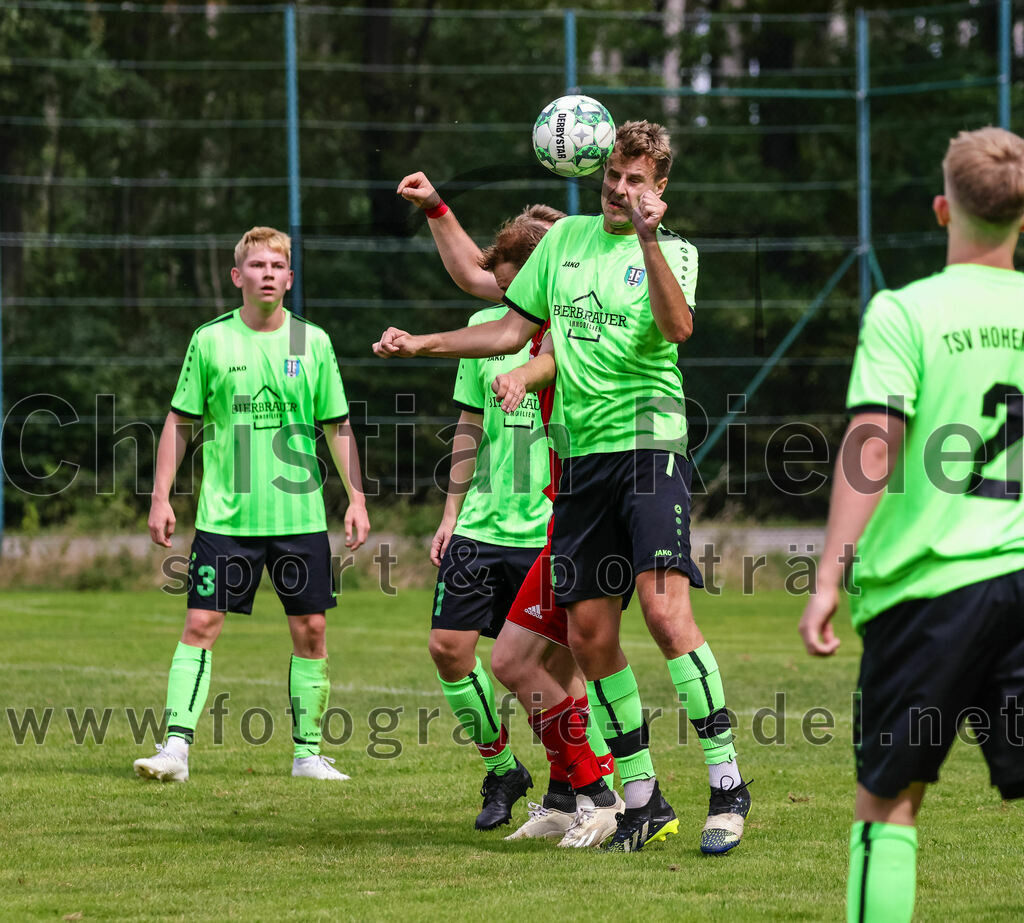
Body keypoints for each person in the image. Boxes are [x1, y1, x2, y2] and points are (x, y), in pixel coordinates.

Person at [376, 121, 750, 853]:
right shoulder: (565, 241)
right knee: (589, 634)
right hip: (577, 465)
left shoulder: (673, 251)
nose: (618, 188)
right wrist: (424, 343)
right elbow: (509, 326)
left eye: (635, 179)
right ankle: (640, 797)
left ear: (659, 187)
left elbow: (677, 329)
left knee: (664, 612)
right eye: (613, 173)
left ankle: (727, 782)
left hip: (648, 448)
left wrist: (646, 239)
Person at [799, 126, 1024, 921]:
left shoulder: (907, 311)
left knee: (889, 800)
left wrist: (827, 575)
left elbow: (872, 445)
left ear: (942, 208)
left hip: (932, 593)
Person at [399, 176, 622, 842]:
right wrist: (449, 512)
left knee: (557, 666)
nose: (503, 289)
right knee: (463, 652)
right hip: (484, 526)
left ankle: (592, 789)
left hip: (565, 519)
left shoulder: (581, 321)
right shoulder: (495, 325)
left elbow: (479, 277)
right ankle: (534, 778)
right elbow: (474, 276)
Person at [133, 226, 370, 783]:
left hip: (300, 517)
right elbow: (179, 421)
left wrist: (357, 498)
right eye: (256, 265)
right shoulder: (211, 340)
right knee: (201, 622)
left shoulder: (311, 342)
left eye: (277, 266)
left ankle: (308, 755)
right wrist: (160, 495)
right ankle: (175, 750)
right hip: (226, 518)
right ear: (237, 277)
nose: (267, 273)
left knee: (311, 629)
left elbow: (336, 426)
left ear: (290, 278)